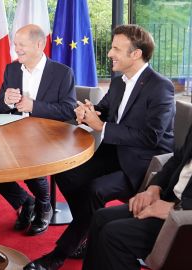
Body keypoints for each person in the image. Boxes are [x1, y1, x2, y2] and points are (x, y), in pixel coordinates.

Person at [24, 24, 175, 270]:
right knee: (66, 171)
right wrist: (88, 112)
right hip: (115, 152)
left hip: (143, 164)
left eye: (116, 48)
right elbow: (103, 109)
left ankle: (59, 255)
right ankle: (87, 226)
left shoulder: (161, 86)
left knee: (94, 189)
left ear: (136, 54)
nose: (109, 53)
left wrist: (101, 126)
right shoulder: (118, 82)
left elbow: (151, 137)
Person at [0, 24, 76, 236]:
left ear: (39, 44)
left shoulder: (62, 73)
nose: (16, 49)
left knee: (26, 155)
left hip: (49, 136)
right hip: (14, 133)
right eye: (15, 44)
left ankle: (43, 204)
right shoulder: (11, 69)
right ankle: (25, 201)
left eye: (21, 45)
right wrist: (7, 100)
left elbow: (69, 110)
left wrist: (34, 106)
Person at [83, 124, 192, 270]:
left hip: (184, 217)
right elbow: (177, 158)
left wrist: (175, 208)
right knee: (100, 218)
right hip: (170, 199)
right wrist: (154, 187)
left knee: (114, 235)